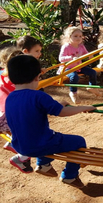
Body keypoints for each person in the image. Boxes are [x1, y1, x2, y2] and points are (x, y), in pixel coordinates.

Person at [5, 55, 96, 188]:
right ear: (37, 77)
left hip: (20, 147)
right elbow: (62, 113)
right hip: (40, 145)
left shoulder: (10, 97)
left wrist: (58, 104)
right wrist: (85, 107)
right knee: (79, 141)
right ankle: (69, 176)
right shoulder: (38, 95)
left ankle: (44, 165)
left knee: (46, 138)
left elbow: (33, 109)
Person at [0, 47, 33, 174]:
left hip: (3, 115)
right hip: (8, 117)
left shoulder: (3, 74)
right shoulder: (15, 80)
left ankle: (12, 143)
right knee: (32, 135)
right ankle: (20, 158)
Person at [58, 26, 100, 104]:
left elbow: (86, 54)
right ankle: (73, 93)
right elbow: (61, 58)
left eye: (80, 36)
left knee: (93, 72)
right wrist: (71, 58)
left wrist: (90, 56)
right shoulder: (66, 47)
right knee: (74, 77)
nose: (78, 38)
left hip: (79, 67)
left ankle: (92, 87)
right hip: (68, 68)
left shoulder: (81, 46)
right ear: (68, 37)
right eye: (75, 36)